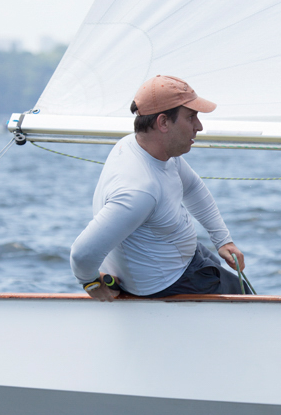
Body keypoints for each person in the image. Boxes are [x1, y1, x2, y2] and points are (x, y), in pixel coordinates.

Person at [70, 75, 251, 300]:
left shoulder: (143, 146)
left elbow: (192, 187)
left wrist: (223, 240)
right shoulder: (140, 191)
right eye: (191, 117)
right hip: (173, 284)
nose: (199, 126)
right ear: (163, 122)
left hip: (185, 258)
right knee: (250, 305)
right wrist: (91, 284)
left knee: (241, 290)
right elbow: (82, 254)